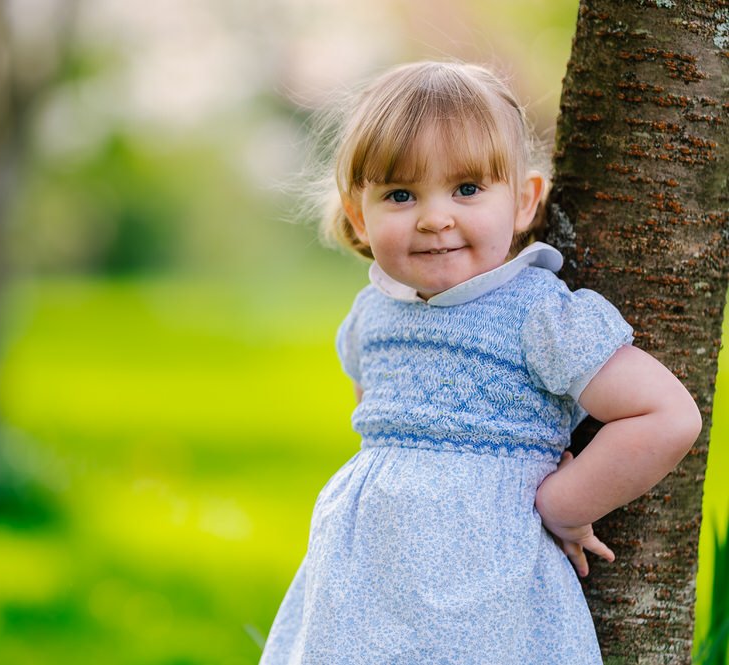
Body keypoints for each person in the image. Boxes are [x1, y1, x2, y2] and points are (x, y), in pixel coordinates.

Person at [259, 61, 702, 664]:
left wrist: (564, 505)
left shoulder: (536, 313)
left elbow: (666, 415)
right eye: (400, 194)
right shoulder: (372, 313)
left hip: (489, 582)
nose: (434, 216)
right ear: (360, 215)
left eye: (467, 189)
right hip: (367, 586)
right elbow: (375, 422)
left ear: (523, 202)